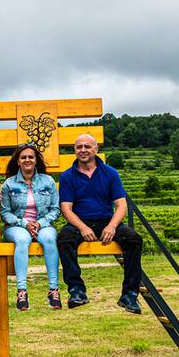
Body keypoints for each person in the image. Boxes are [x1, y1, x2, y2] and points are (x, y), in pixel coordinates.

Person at [57, 134, 144, 313]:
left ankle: (129, 295)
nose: (83, 150)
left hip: (106, 221)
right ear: (74, 150)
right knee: (64, 238)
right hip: (80, 222)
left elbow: (121, 205)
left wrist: (112, 226)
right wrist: (82, 227)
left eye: (87, 146)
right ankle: (77, 291)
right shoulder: (67, 176)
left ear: (96, 149)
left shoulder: (110, 173)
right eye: (78, 147)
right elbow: (66, 209)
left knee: (133, 238)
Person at [0, 144, 61, 312]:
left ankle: (54, 290)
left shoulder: (48, 181)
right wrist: (24, 223)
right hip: (17, 225)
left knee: (49, 238)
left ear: (36, 161)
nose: (27, 160)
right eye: (23, 157)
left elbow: (55, 209)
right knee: (22, 239)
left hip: (43, 223)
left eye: (31, 157)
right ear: (18, 161)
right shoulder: (9, 184)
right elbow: (5, 212)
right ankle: (21, 291)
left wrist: (40, 223)